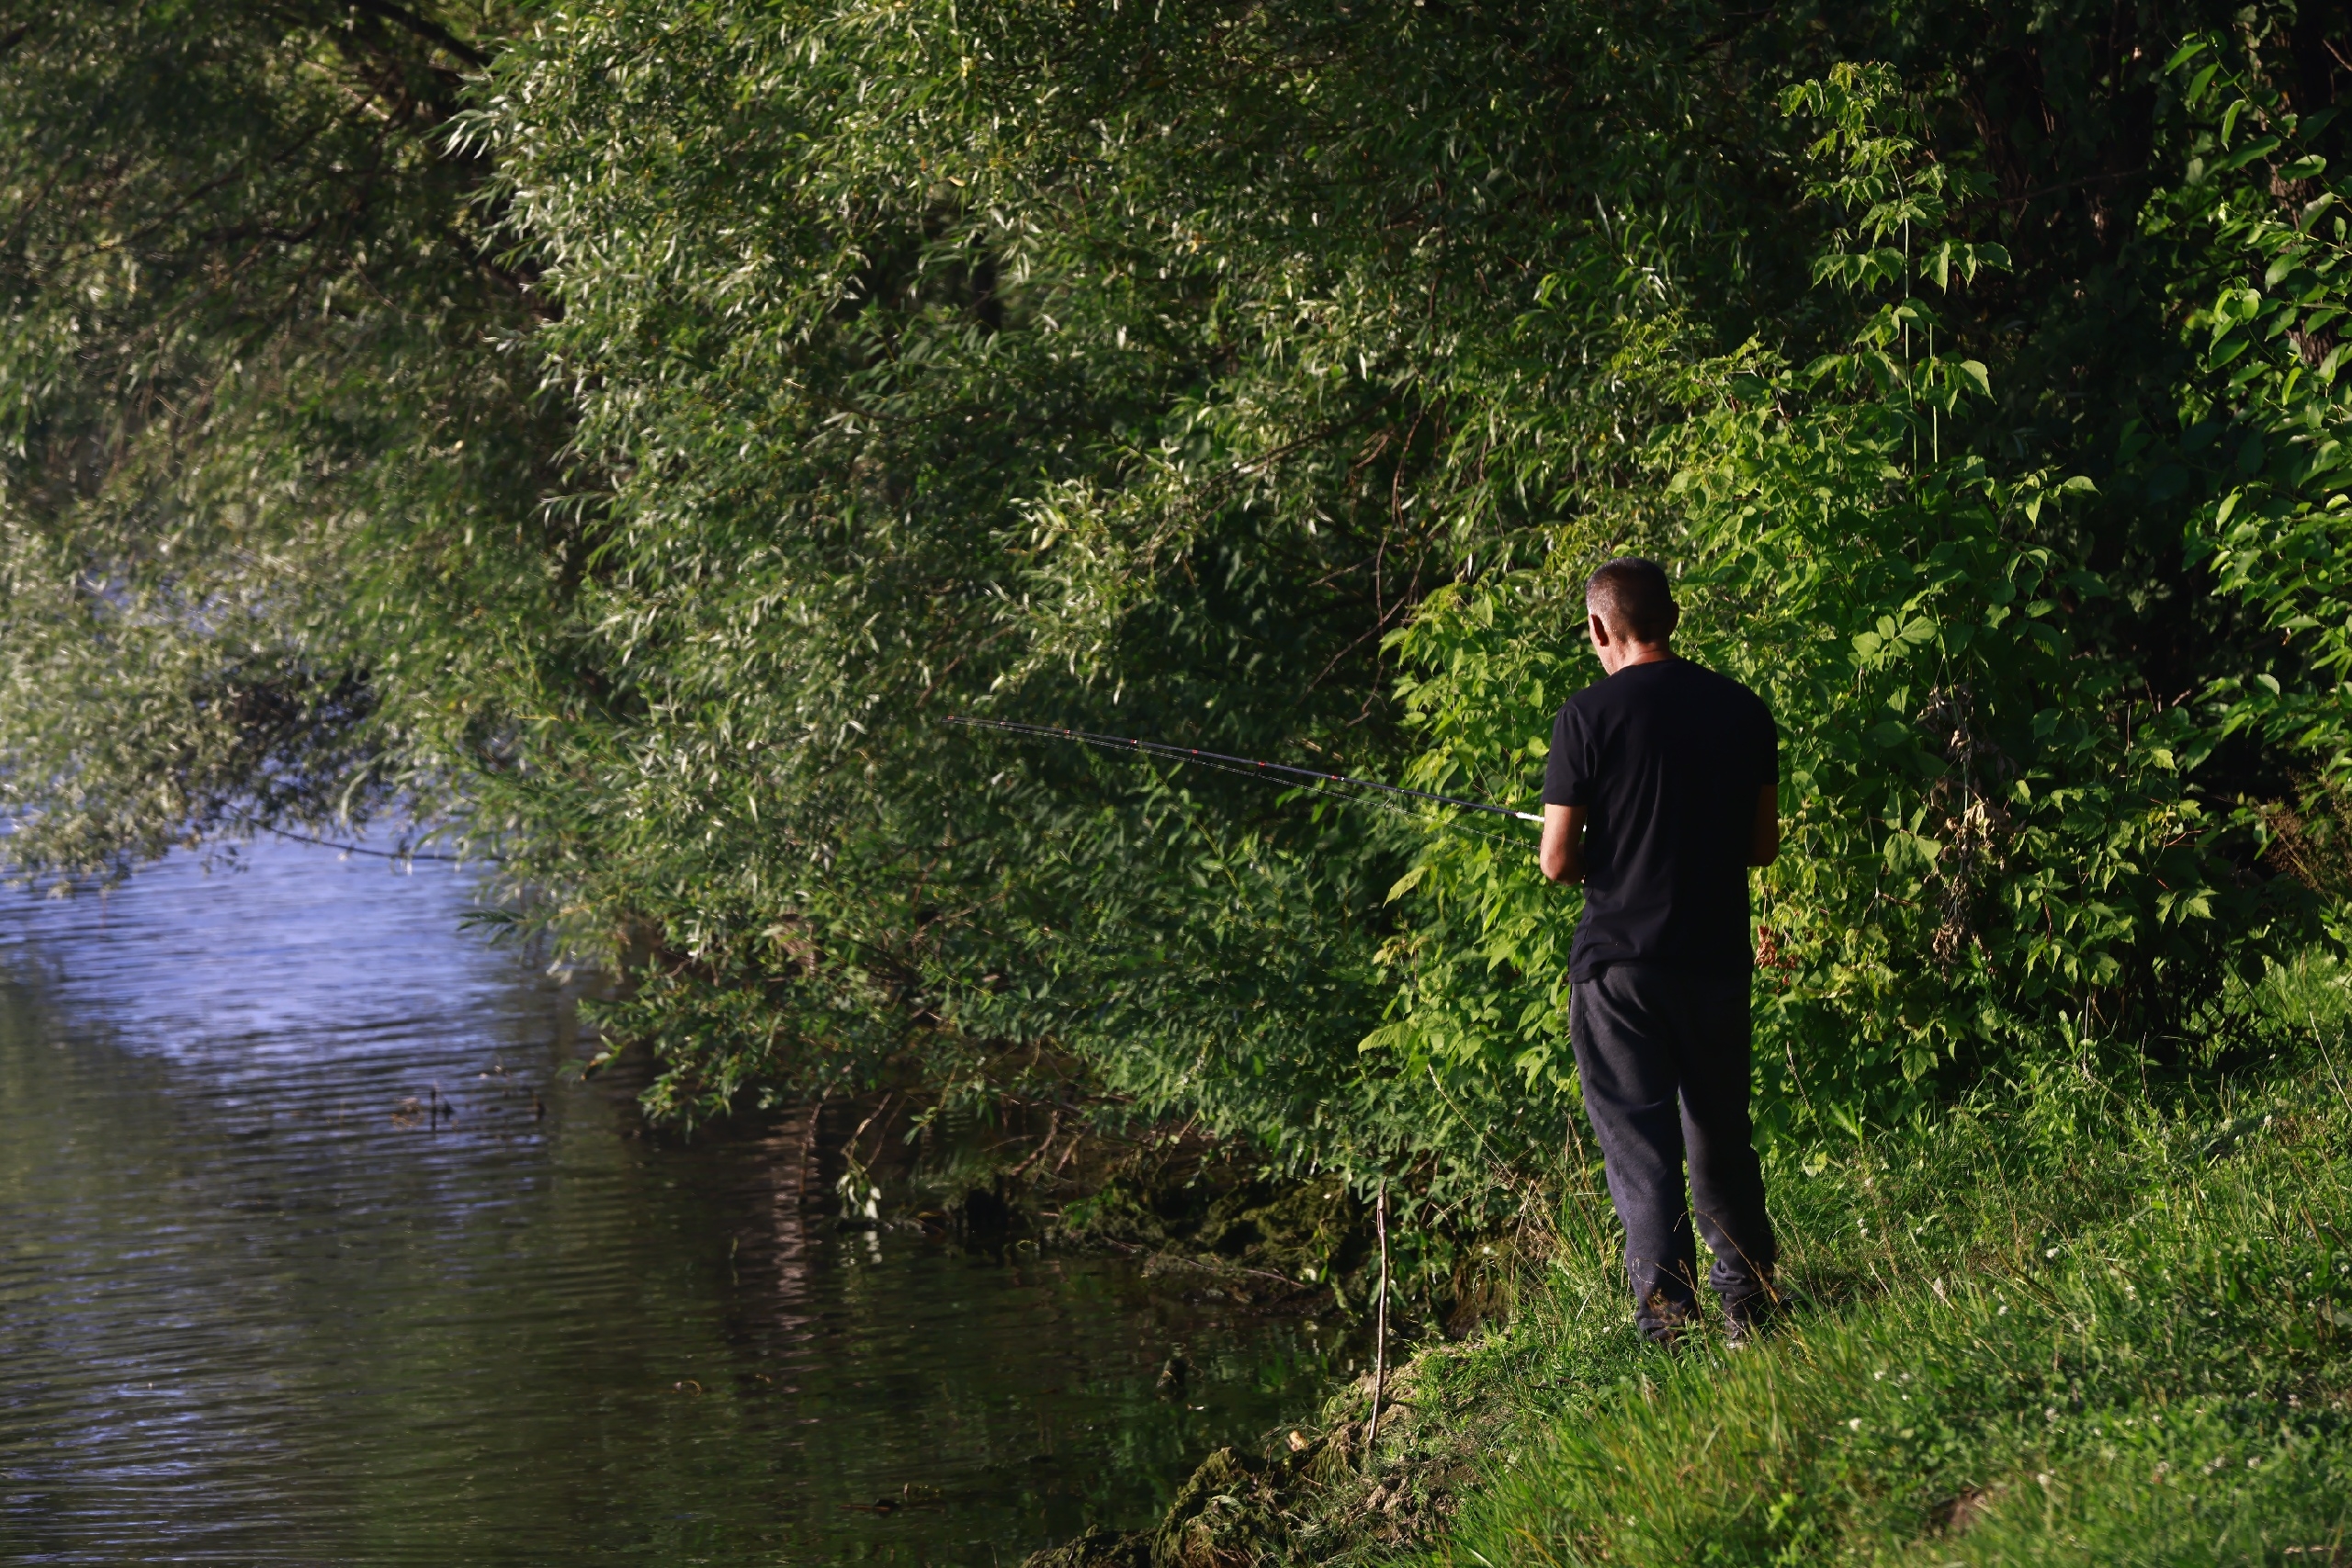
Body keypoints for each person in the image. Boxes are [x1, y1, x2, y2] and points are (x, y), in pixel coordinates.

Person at [1538, 556, 1781, 1346]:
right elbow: (1762, 845)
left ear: (1599, 627)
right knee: (1720, 1129)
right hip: (1713, 956)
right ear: (1672, 617)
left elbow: (1556, 860)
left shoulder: (1586, 714)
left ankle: (1667, 1324)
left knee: (1641, 1146)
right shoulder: (1743, 710)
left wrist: (1605, 850)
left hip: (1619, 967)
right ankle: (1749, 1307)